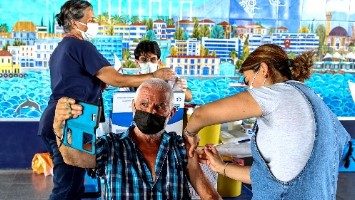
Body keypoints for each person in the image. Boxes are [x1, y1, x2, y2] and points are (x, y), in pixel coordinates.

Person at [38, 1, 174, 199]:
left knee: (72, 185)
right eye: (90, 19)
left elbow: (80, 82)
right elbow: (116, 79)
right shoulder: (81, 46)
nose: (94, 23)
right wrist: (155, 75)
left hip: (61, 117)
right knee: (67, 188)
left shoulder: (62, 48)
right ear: (75, 22)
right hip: (72, 119)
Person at [184, 44, 351, 199]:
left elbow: (200, 114)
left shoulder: (276, 95)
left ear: (264, 69)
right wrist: (220, 167)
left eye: (248, 81)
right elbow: (273, 178)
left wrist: (189, 134)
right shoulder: (314, 100)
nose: (249, 88)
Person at [53, 79, 221, 200]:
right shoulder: (111, 145)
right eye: (144, 104)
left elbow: (208, 195)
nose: (150, 111)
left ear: (170, 113)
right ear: (133, 107)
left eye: (160, 106)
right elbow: (75, 157)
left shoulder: (180, 147)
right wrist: (59, 129)